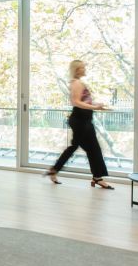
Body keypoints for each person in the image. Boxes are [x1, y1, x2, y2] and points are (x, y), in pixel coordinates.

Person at [46, 60, 113, 189]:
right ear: (77, 70)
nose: (85, 68)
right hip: (80, 120)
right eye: (82, 67)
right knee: (89, 148)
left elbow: (83, 101)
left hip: (84, 119)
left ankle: (55, 170)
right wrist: (95, 107)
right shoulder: (76, 83)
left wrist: (97, 106)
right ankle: (97, 177)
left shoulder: (77, 82)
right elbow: (76, 102)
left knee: (88, 148)